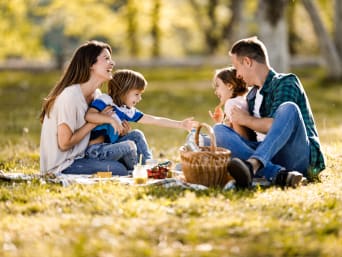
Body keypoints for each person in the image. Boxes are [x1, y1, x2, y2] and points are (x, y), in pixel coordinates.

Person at [213, 36, 325, 188]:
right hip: (270, 158)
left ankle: (254, 165)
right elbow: (248, 139)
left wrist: (245, 119)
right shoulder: (252, 96)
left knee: (289, 108)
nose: (237, 75)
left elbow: (275, 125)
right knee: (218, 132)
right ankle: (278, 175)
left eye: (237, 68)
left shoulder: (286, 82)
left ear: (247, 62)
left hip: (297, 156)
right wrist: (232, 125)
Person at [39, 40, 134, 176]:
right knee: (120, 169)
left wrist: (119, 130)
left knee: (135, 137)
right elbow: (64, 144)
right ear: (91, 64)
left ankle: (149, 169)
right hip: (64, 164)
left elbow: (95, 139)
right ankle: (137, 170)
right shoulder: (70, 96)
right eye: (106, 59)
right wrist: (95, 121)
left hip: (85, 154)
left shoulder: (97, 95)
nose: (112, 63)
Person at [85, 69, 197, 165]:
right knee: (129, 145)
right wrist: (110, 120)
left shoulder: (126, 110)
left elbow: (153, 120)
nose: (139, 99)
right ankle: (139, 169)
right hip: (96, 151)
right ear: (123, 92)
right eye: (137, 94)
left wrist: (180, 124)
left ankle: (148, 163)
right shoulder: (105, 101)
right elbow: (89, 115)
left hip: (112, 147)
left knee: (137, 134)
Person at [209, 66, 255, 140]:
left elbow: (241, 138)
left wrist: (222, 127)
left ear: (229, 86)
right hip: (250, 143)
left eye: (217, 86)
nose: (215, 92)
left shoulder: (231, 103)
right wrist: (221, 122)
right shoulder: (242, 101)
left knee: (214, 132)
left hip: (244, 147)